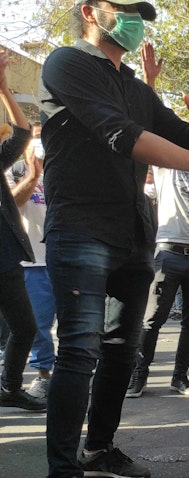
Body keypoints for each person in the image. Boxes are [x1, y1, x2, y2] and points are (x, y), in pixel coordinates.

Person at [38, 1, 189, 476]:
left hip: (134, 233)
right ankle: (62, 468)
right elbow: (122, 135)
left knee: (119, 349)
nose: (134, 21)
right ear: (91, 12)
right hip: (81, 228)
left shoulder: (134, 86)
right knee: (78, 349)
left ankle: (99, 448)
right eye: (125, 9)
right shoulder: (65, 64)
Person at [127, 42, 189, 398]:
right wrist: (150, 82)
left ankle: (179, 377)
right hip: (168, 251)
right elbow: (147, 131)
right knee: (152, 320)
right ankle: (139, 375)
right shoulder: (165, 165)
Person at [0, 49, 43, 412]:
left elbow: (21, 133)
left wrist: (3, 89)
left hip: (5, 257)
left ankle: (10, 388)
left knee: (24, 327)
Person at [7, 123, 56, 401]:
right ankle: (43, 374)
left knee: (76, 324)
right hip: (32, 263)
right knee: (38, 325)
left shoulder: (63, 172)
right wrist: (32, 175)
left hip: (63, 259)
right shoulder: (13, 172)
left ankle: (74, 375)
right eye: (37, 138)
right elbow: (11, 205)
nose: (41, 143)